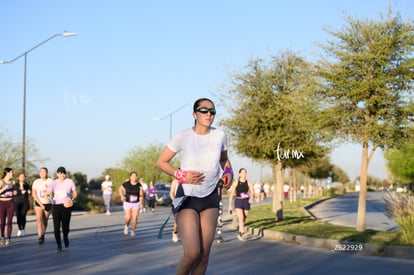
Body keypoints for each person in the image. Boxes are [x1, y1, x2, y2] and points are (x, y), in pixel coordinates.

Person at [156, 97, 233, 275]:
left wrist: (228, 173)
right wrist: (182, 175)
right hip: (187, 197)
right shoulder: (183, 136)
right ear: (194, 114)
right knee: (192, 253)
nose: (208, 114)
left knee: (204, 254)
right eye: (204, 110)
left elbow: (224, 160)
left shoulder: (220, 135)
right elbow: (161, 162)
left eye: (212, 111)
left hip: (211, 196)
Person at [46, 167, 78, 252]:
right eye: (60, 173)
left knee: (65, 226)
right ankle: (59, 245)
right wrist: (47, 197)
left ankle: (65, 236)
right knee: (56, 226)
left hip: (66, 205)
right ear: (57, 174)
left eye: (64, 173)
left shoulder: (69, 182)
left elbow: (75, 192)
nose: (62, 175)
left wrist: (72, 200)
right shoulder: (54, 183)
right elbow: (48, 192)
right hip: (56, 206)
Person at [228, 168, 254, 241]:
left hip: (246, 201)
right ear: (239, 174)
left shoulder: (249, 182)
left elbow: (252, 191)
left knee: (244, 218)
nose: (244, 174)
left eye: (245, 172)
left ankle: (240, 231)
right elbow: (232, 194)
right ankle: (242, 233)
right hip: (238, 201)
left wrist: (251, 198)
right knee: (241, 218)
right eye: (242, 172)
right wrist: (230, 206)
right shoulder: (236, 182)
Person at [118, 172, 144, 237]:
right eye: (133, 176)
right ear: (130, 177)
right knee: (128, 217)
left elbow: (141, 195)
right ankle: (126, 226)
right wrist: (121, 196)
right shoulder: (126, 184)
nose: (134, 177)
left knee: (135, 218)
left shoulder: (139, 185)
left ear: (137, 177)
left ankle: (133, 230)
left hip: (136, 203)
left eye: (135, 176)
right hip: (127, 202)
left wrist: (141, 203)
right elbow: (120, 189)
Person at [32, 167, 53, 244]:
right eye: (41, 172)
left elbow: (55, 192)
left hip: (48, 203)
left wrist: (49, 191)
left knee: (45, 220)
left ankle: (43, 234)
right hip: (38, 202)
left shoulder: (51, 181)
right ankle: (40, 237)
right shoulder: (36, 182)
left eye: (44, 172)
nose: (42, 173)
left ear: (47, 173)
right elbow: (34, 194)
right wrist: (41, 204)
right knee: (39, 219)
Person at [0, 167, 15, 246]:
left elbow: (15, 192)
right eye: (12, 172)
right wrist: (4, 189)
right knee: (2, 222)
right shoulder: (1, 182)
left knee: (9, 221)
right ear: (7, 173)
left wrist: (15, 192)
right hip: (2, 203)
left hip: (10, 203)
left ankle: (9, 238)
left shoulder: (13, 182)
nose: (13, 173)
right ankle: (2, 236)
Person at [14, 173, 31, 237]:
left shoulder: (27, 185)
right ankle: (19, 229)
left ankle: (23, 229)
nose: (22, 177)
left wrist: (28, 191)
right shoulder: (15, 185)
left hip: (25, 203)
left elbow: (29, 192)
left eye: (24, 176)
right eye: (21, 176)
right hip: (17, 203)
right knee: (18, 216)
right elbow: (14, 192)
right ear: (18, 178)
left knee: (23, 215)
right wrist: (16, 191)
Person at [169, 178, 179, 243]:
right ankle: (175, 232)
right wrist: (174, 200)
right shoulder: (175, 181)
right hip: (177, 201)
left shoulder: (188, 180)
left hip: (187, 202)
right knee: (177, 219)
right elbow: (171, 193)